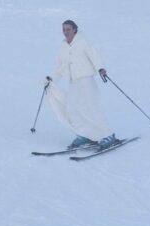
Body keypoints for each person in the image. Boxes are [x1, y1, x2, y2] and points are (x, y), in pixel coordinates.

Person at [45, 19, 119, 150]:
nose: (66, 32)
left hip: (86, 78)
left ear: (74, 29)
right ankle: (84, 134)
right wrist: (51, 79)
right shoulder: (63, 46)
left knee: (91, 107)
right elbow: (59, 66)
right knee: (72, 108)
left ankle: (107, 135)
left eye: (68, 29)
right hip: (73, 81)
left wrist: (100, 67)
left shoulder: (82, 41)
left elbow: (93, 54)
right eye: (64, 29)